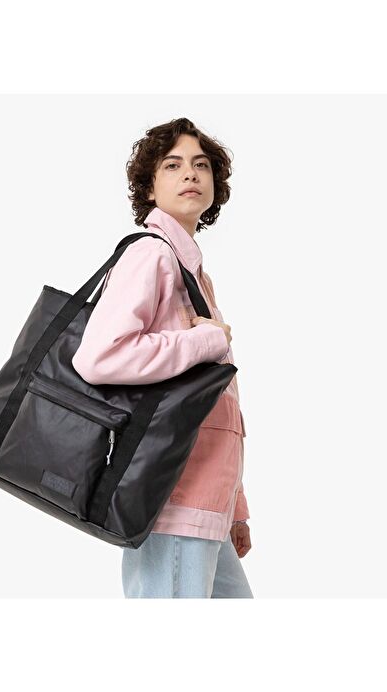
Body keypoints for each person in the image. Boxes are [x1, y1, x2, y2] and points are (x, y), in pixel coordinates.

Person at [72, 117, 253, 598]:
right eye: (172, 165)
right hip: (173, 497)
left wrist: (234, 506)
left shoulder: (194, 274)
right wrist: (205, 342)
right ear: (150, 188)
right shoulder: (152, 256)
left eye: (201, 165)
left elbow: (212, 402)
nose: (190, 173)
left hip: (205, 500)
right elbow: (99, 357)